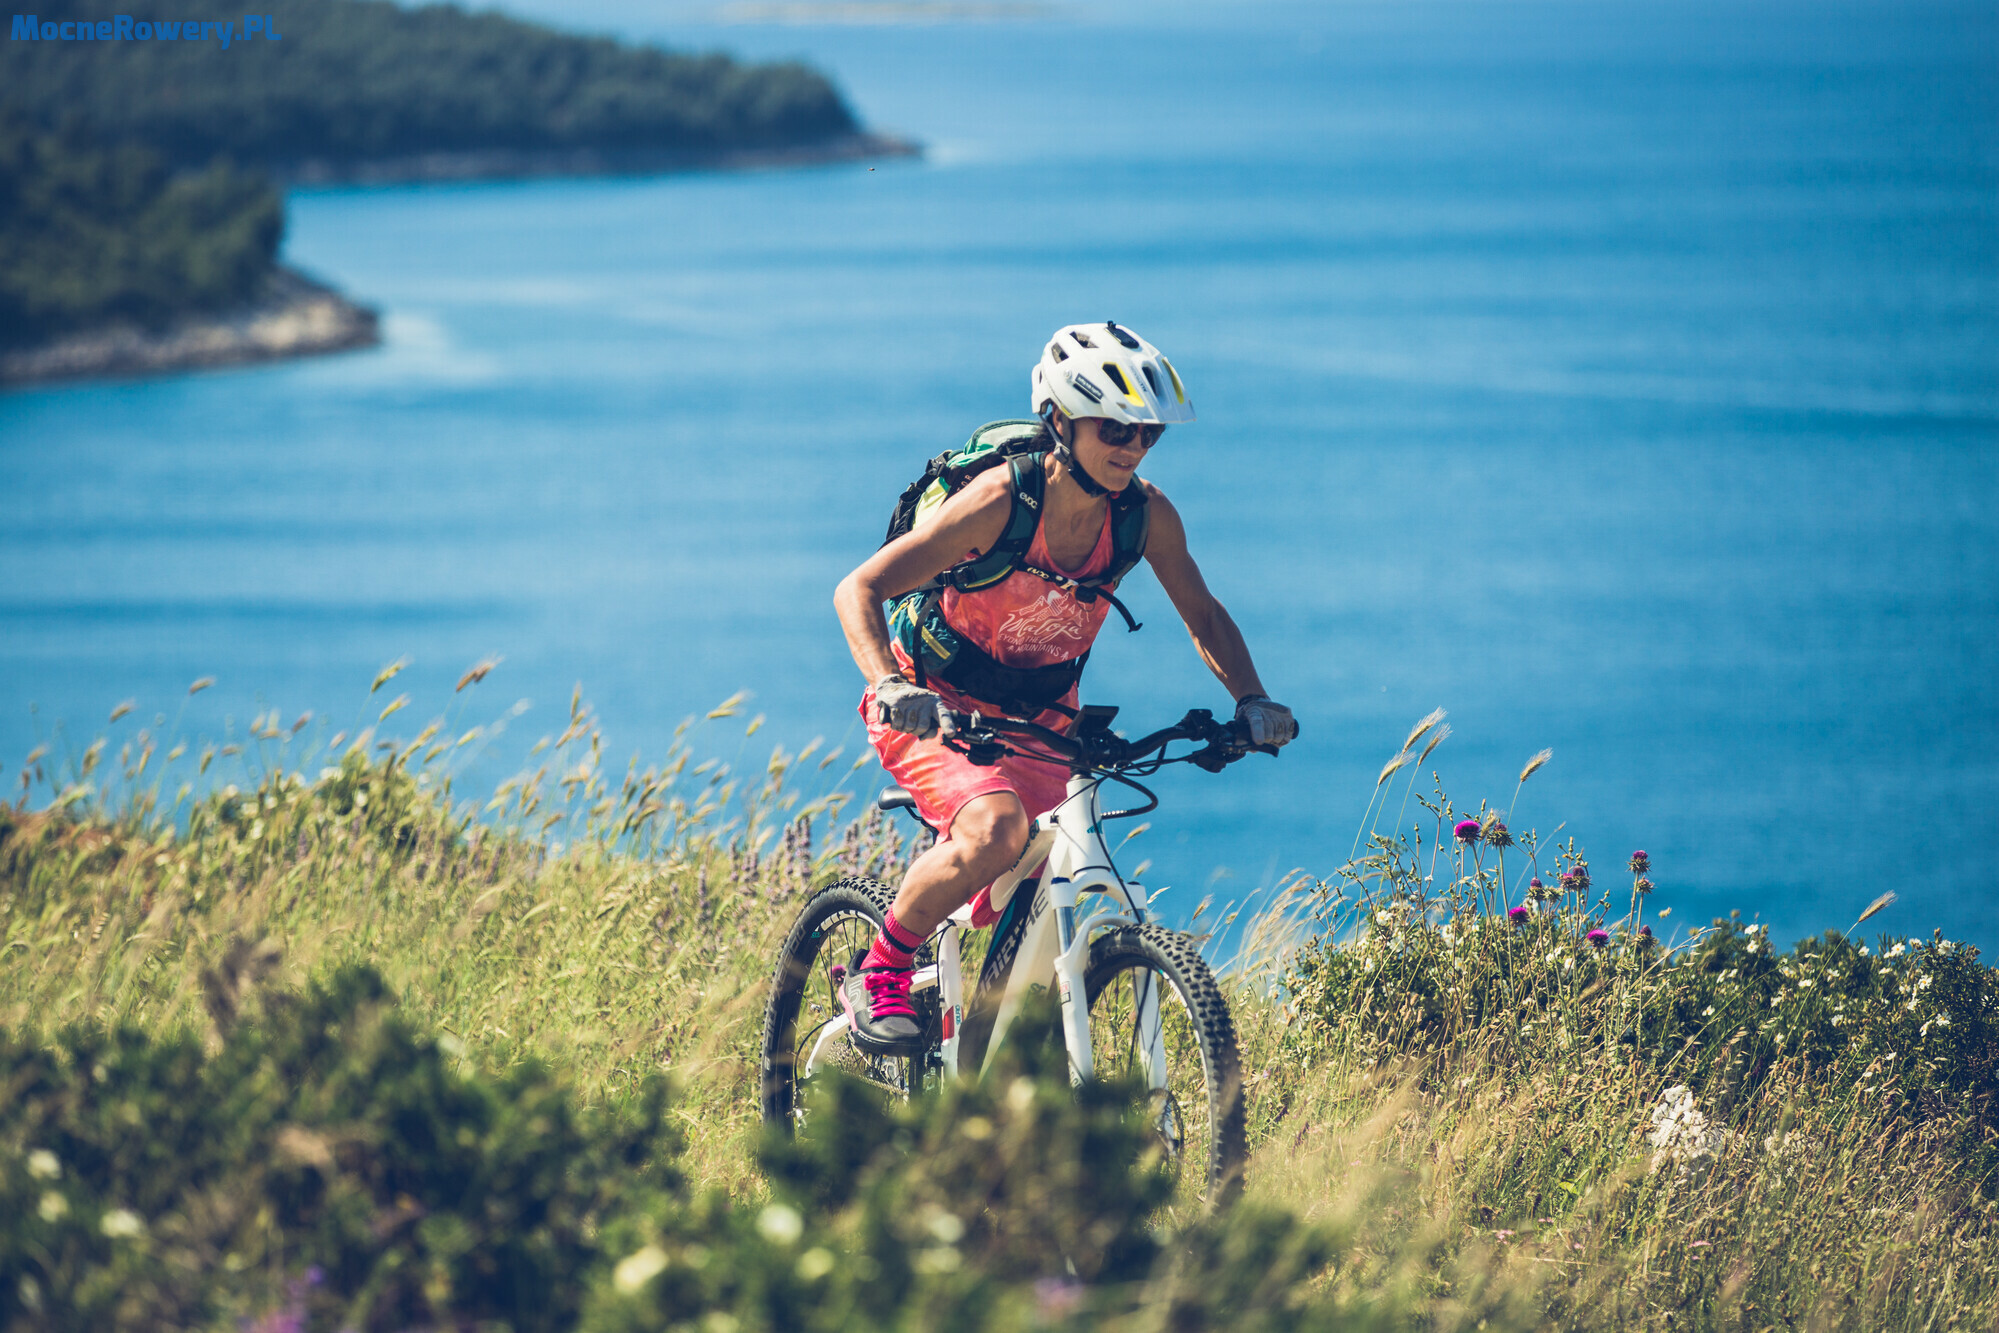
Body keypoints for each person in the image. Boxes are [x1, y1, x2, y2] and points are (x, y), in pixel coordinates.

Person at [831, 321, 1297, 1054]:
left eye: (1147, 432)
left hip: (1044, 719)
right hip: (933, 705)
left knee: (1050, 866)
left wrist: (1252, 698)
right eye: (1114, 426)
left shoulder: (1144, 516)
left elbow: (1202, 613)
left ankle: (991, 1045)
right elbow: (860, 587)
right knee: (996, 831)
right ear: (1060, 420)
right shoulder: (998, 502)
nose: (1132, 445)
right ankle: (881, 967)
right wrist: (890, 686)